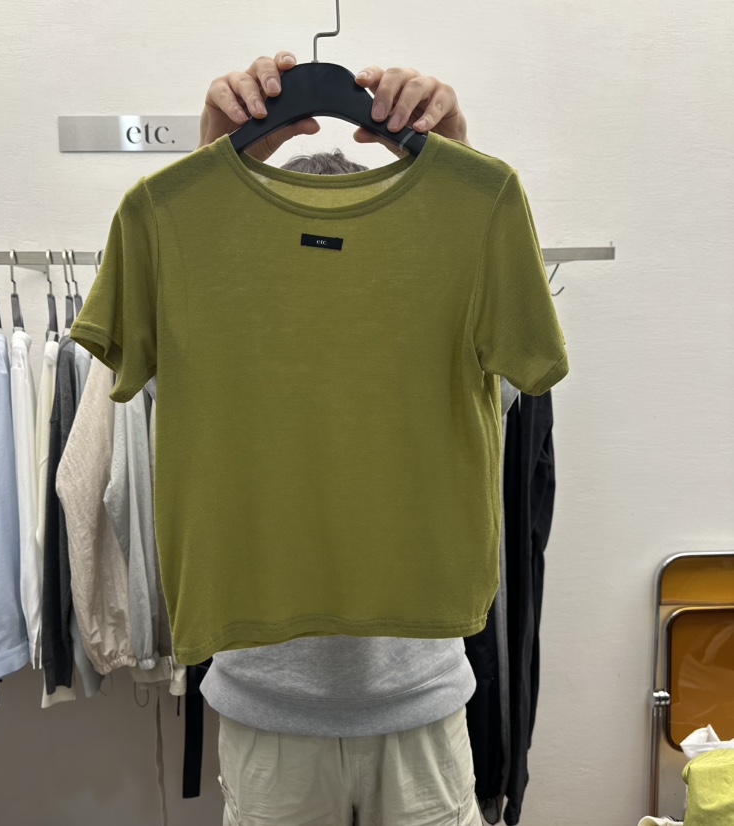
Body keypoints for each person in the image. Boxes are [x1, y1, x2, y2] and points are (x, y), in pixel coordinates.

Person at [197, 51, 492, 826]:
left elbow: (504, 375)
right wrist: (206, 179)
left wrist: (456, 173)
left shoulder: (432, 309)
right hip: (269, 703)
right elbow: (167, 374)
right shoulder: (223, 321)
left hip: (418, 695)